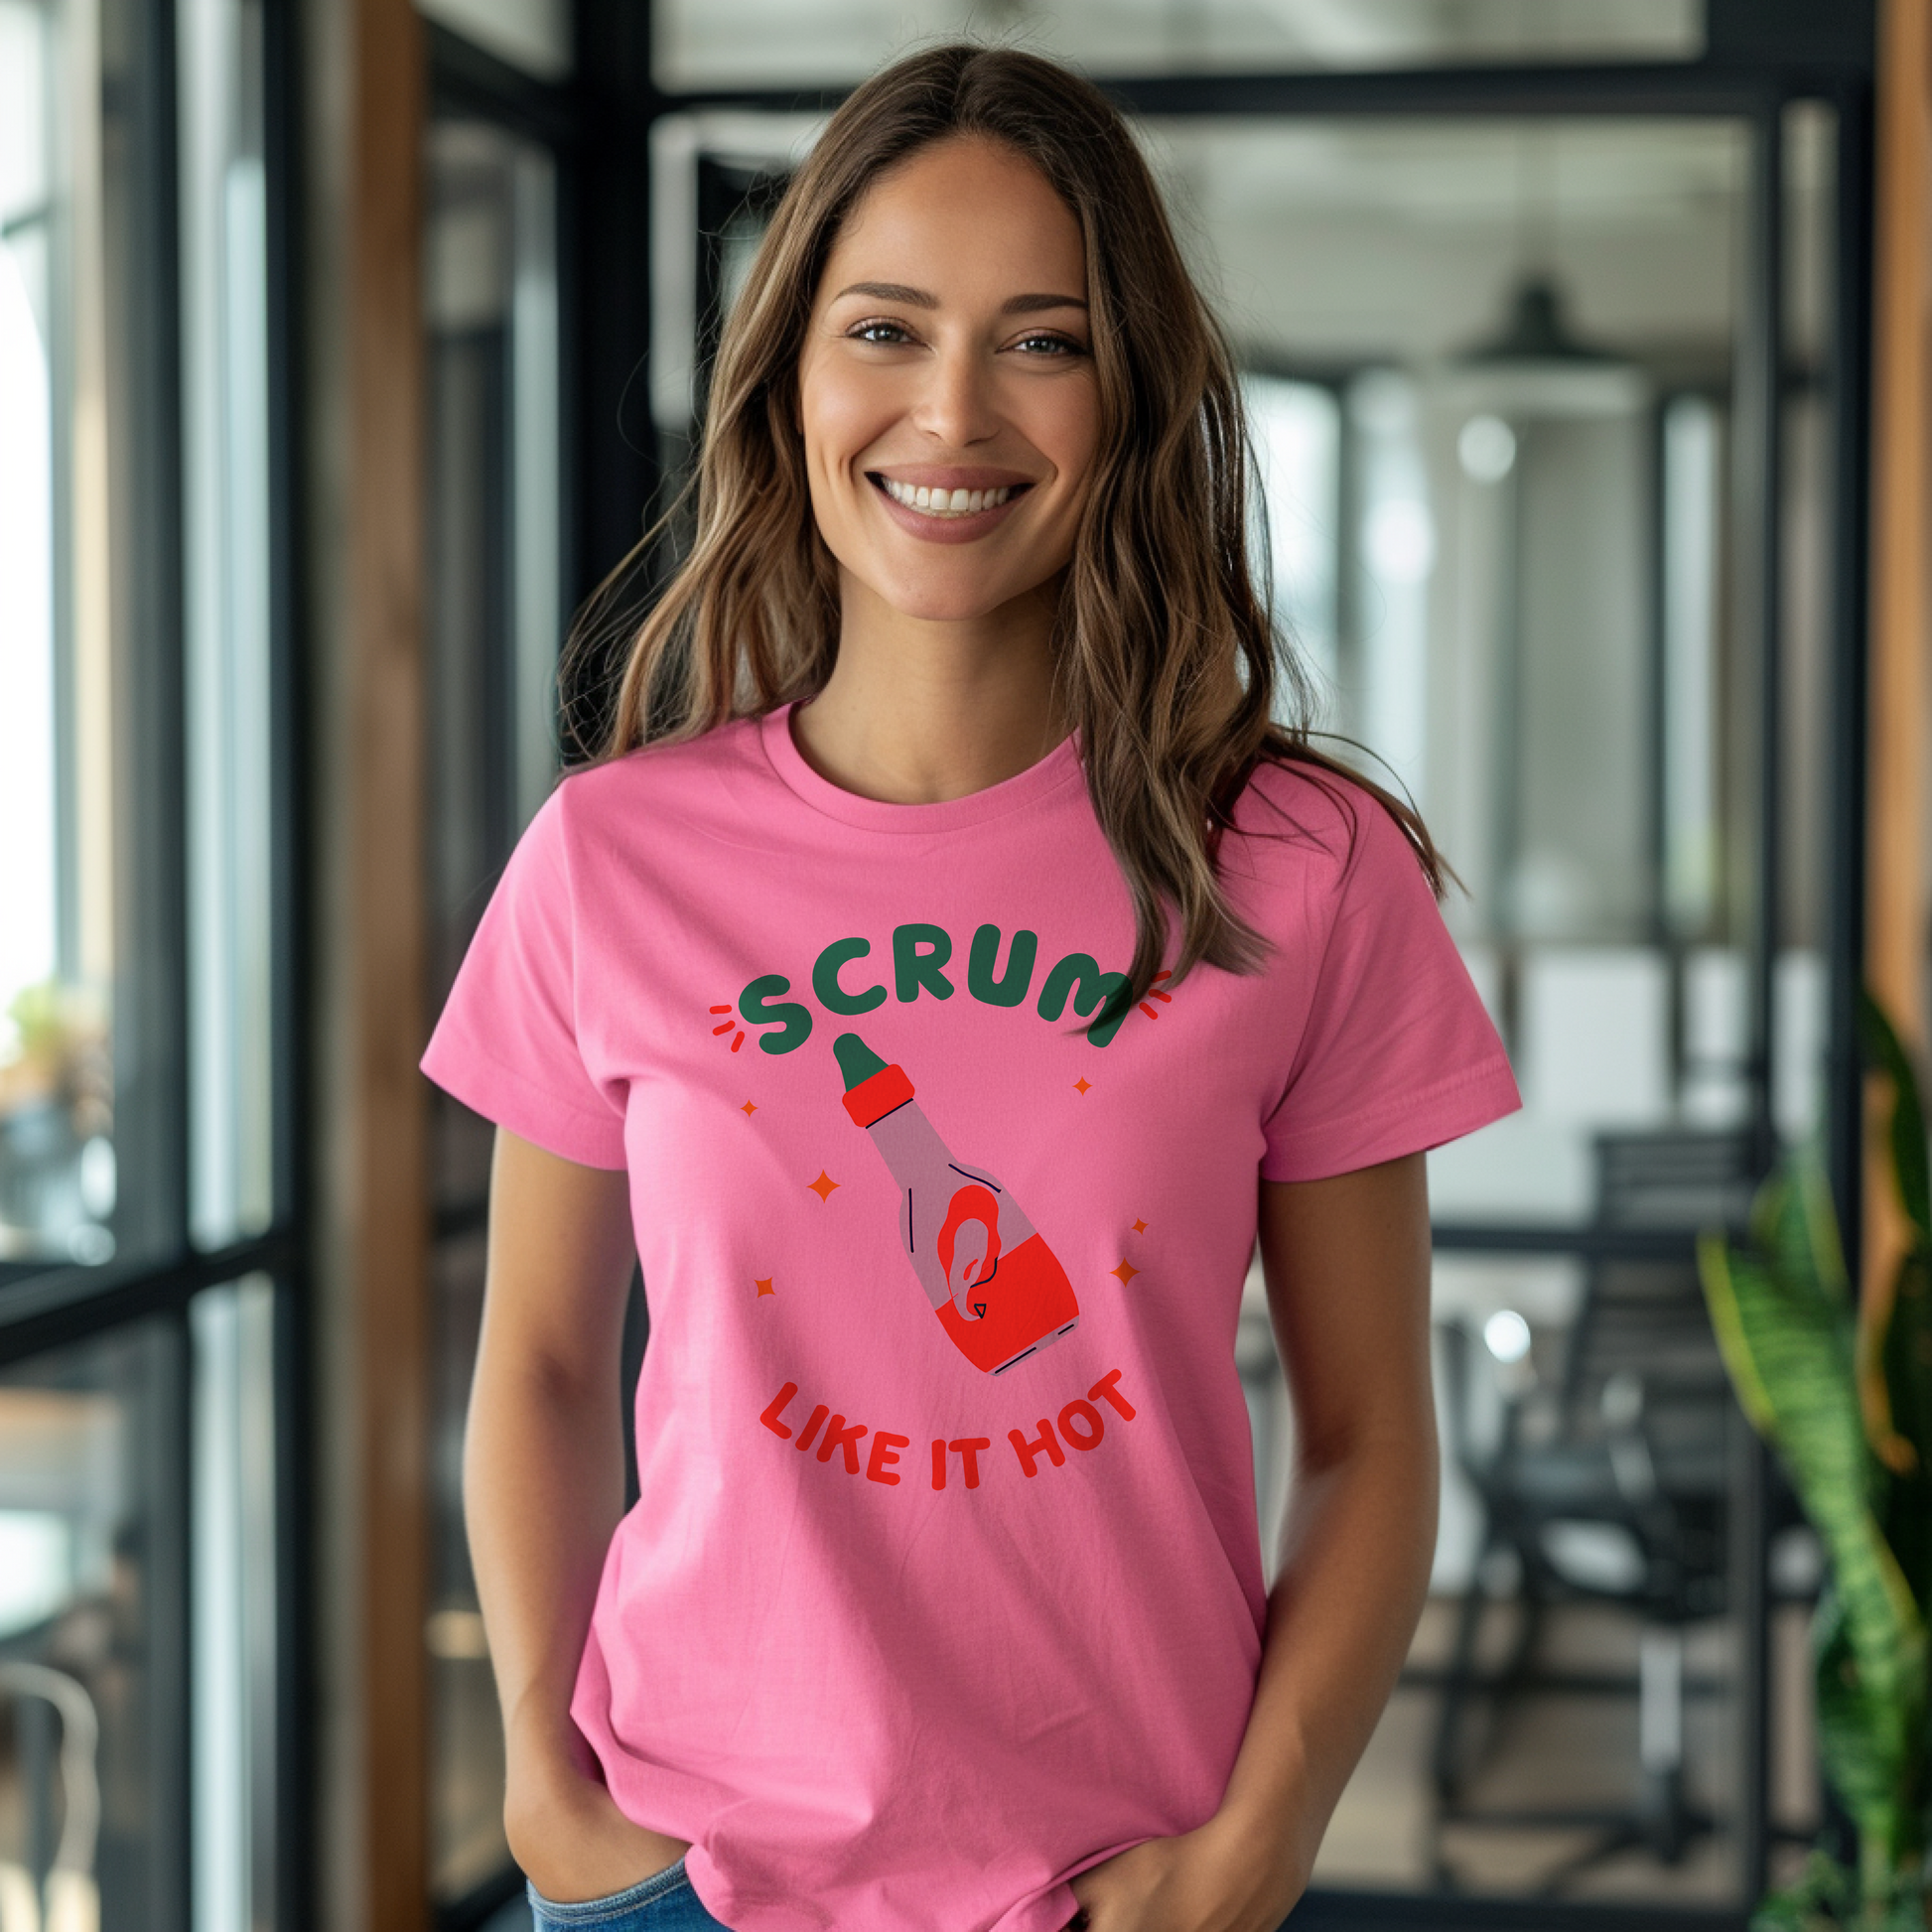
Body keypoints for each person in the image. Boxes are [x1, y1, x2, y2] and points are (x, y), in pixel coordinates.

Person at [420, 40, 1520, 1932]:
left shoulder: (1299, 865)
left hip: (1124, 1884)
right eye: (884, 327)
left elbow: (1369, 1437)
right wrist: (540, 1759)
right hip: (681, 1884)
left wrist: (1256, 1838)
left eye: (1042, 339)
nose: (951, 409)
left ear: (1130, 397)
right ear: (785, 378)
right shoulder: (614, 857)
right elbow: (533, 1362)